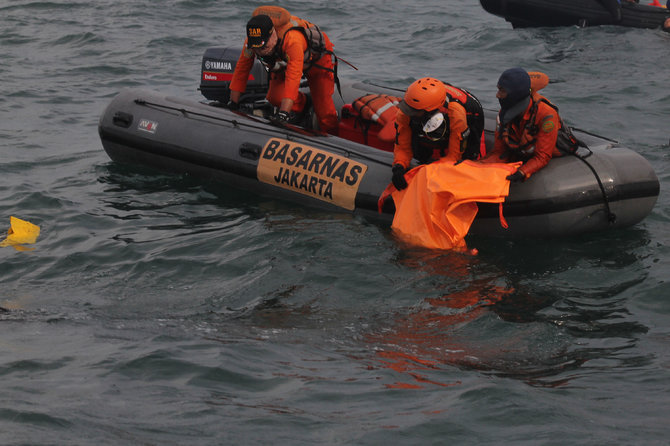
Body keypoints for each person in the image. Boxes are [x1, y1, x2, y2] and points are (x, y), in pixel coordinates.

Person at [228, 6, 339, 134]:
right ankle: (303, 107)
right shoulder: (251, 43)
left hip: (316, 60)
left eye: (263, 47)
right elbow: (241, 69)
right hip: (283, 61)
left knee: (325, 113)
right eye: (256, 48)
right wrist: (233, 104)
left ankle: (333, 136)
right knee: (274, 97)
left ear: (273, 35)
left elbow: (294, 77)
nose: (259, 51)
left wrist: (283, 114)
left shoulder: (292, 40)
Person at [391, 77, 484, 190]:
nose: (409, 114)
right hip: (435, 113)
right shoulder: (405, 112)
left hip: (471, 119)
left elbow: (454, 156)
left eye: (415, 112)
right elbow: (402, 146)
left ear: (430, 110)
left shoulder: (456, 114)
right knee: (419, 151)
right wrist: (399, 166)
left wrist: (435, 169)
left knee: (464, 160)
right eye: (409, 109)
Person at [481, 67, 566, 182]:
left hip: (547, 156)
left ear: (515, 94)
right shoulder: (503, 115)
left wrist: (522, 172)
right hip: (521, 152)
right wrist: (477, 166)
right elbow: (499, 152)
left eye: (502, 90)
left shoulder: (547, 115)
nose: (497, 95)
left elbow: (542, 156)